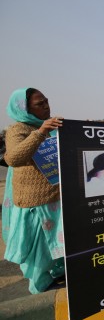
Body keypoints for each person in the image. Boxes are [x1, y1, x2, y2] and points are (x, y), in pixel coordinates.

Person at [2, 88, 65, 293]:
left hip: (56, 195)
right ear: (25, 109)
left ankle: (57, 272)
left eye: (46, 101)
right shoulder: (18, 129)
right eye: (40, 103)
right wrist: (40, 133)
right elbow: (13, 158)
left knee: (57, 241)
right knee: (39, 247)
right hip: (34, 201)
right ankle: (39, 283)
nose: (46, 105)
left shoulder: (54, 127)